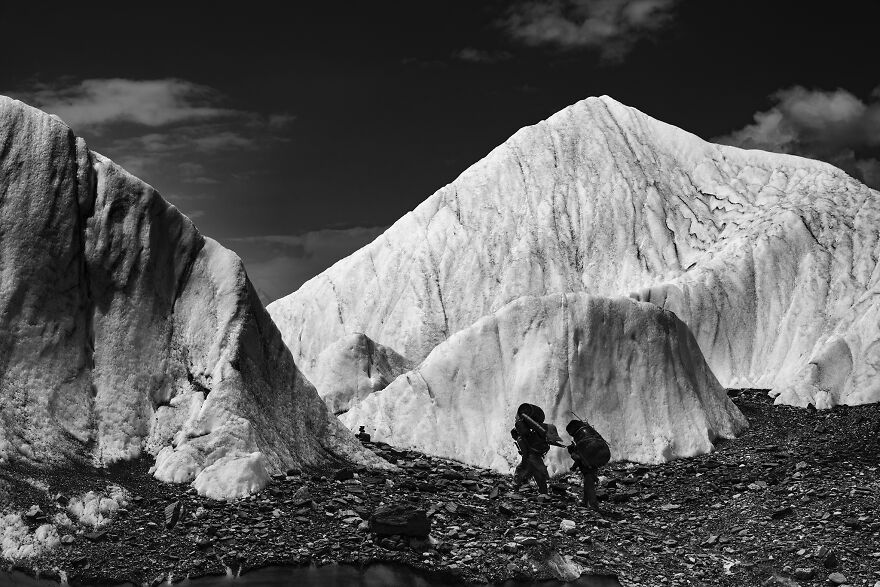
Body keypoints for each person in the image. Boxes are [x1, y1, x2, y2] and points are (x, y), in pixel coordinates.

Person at [511, 403, 562, 494]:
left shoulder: (521, 438)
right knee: (538, 474)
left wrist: (524, 459)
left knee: (520, 470)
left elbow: (525, 452)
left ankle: (516, 488)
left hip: (531, 457)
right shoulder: (533, 433)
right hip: (536, 456)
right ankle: (543, 492)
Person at [566, 418, 610, 512]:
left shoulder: (581, 439)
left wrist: (572, 453)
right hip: (595, 461)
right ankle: (585, 502)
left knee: (589, 484)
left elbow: (579, 457)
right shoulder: (588, 435)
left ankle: (593, 505)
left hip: (588, 465)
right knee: (587, 482)